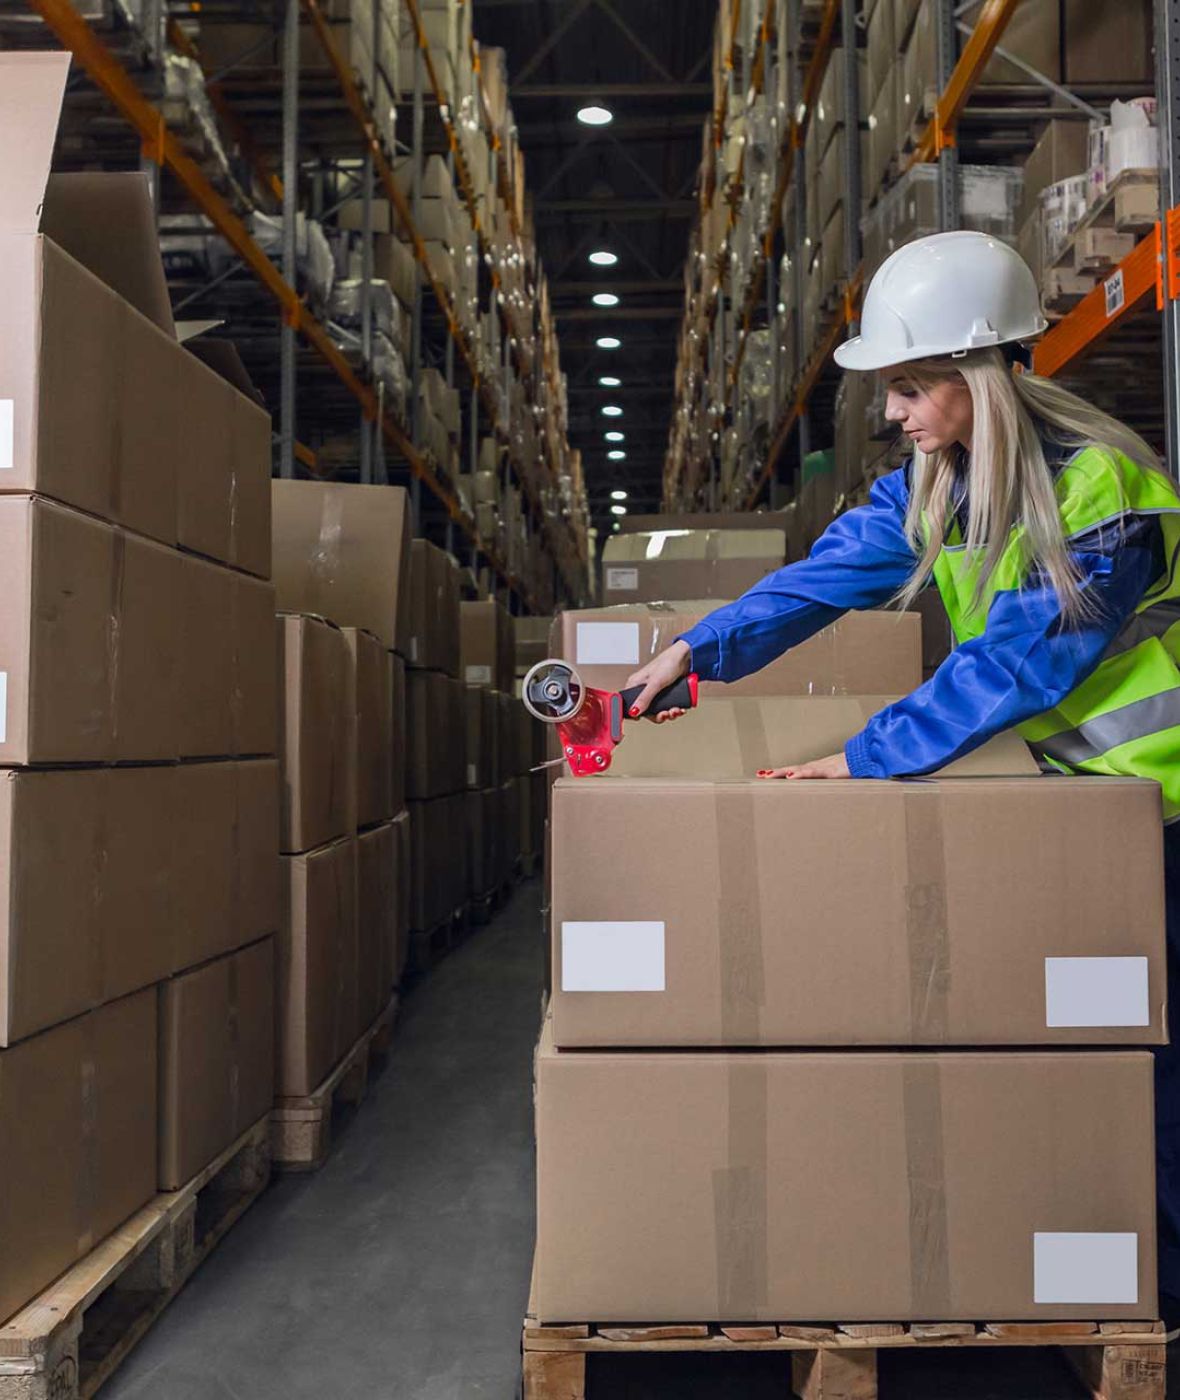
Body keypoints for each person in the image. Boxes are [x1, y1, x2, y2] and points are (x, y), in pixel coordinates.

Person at [625, 229, 1180, 1309]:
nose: (891, 412)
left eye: (912, 387)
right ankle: (1099, 1268)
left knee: (1154, 1063)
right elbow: (822, 577)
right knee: (1086, 1054)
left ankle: (1161, 1294)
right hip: (1075, 812)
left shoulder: (1100, 491)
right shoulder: (938, 484)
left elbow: (1018, 661)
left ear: (983, 373)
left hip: (1162, 809)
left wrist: (865, 757)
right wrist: (697, 648)